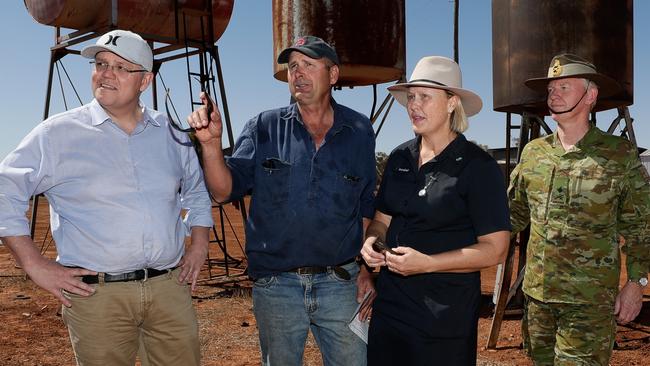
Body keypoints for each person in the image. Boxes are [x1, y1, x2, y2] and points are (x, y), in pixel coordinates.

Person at [0, 29, 213, 366]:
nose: (105, 74)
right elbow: (4, 191)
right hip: (97, 298)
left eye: (121, 67)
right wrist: (32, 263)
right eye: (101, 64)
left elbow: (197, 192)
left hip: (168, 290)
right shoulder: (58, 134)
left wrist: (199, 244)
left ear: (145, 81)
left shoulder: (170, 132)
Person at [186, 36, 376, 365]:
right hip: (277, 285)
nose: (298, 74)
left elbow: (364, 208)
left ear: (332, 75)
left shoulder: (359, 130)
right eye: (292, 67)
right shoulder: (264, 127)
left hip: (341, 285)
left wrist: (365, 270)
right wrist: (212, 145)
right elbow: (222, 190)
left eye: (308, 65)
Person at [360, 56, 511, 366]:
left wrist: (427, 263)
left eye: (425, 97)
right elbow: (381, 220)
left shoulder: (477, 167)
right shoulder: (401, 157)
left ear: (452, 103)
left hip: (443, 319)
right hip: (390, 310)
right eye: (411, 97)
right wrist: (372, 241)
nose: (414, 105)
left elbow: (495, 249)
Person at [509, 53, 650, 365]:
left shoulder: (619, 156)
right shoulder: (534, 154)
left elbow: (641, 227)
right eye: (551, 89)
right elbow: (511, 217)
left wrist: (636, 284)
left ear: (590, 95)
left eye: (565, 87)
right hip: (538, 300)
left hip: (589, 303)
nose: (554, 94)